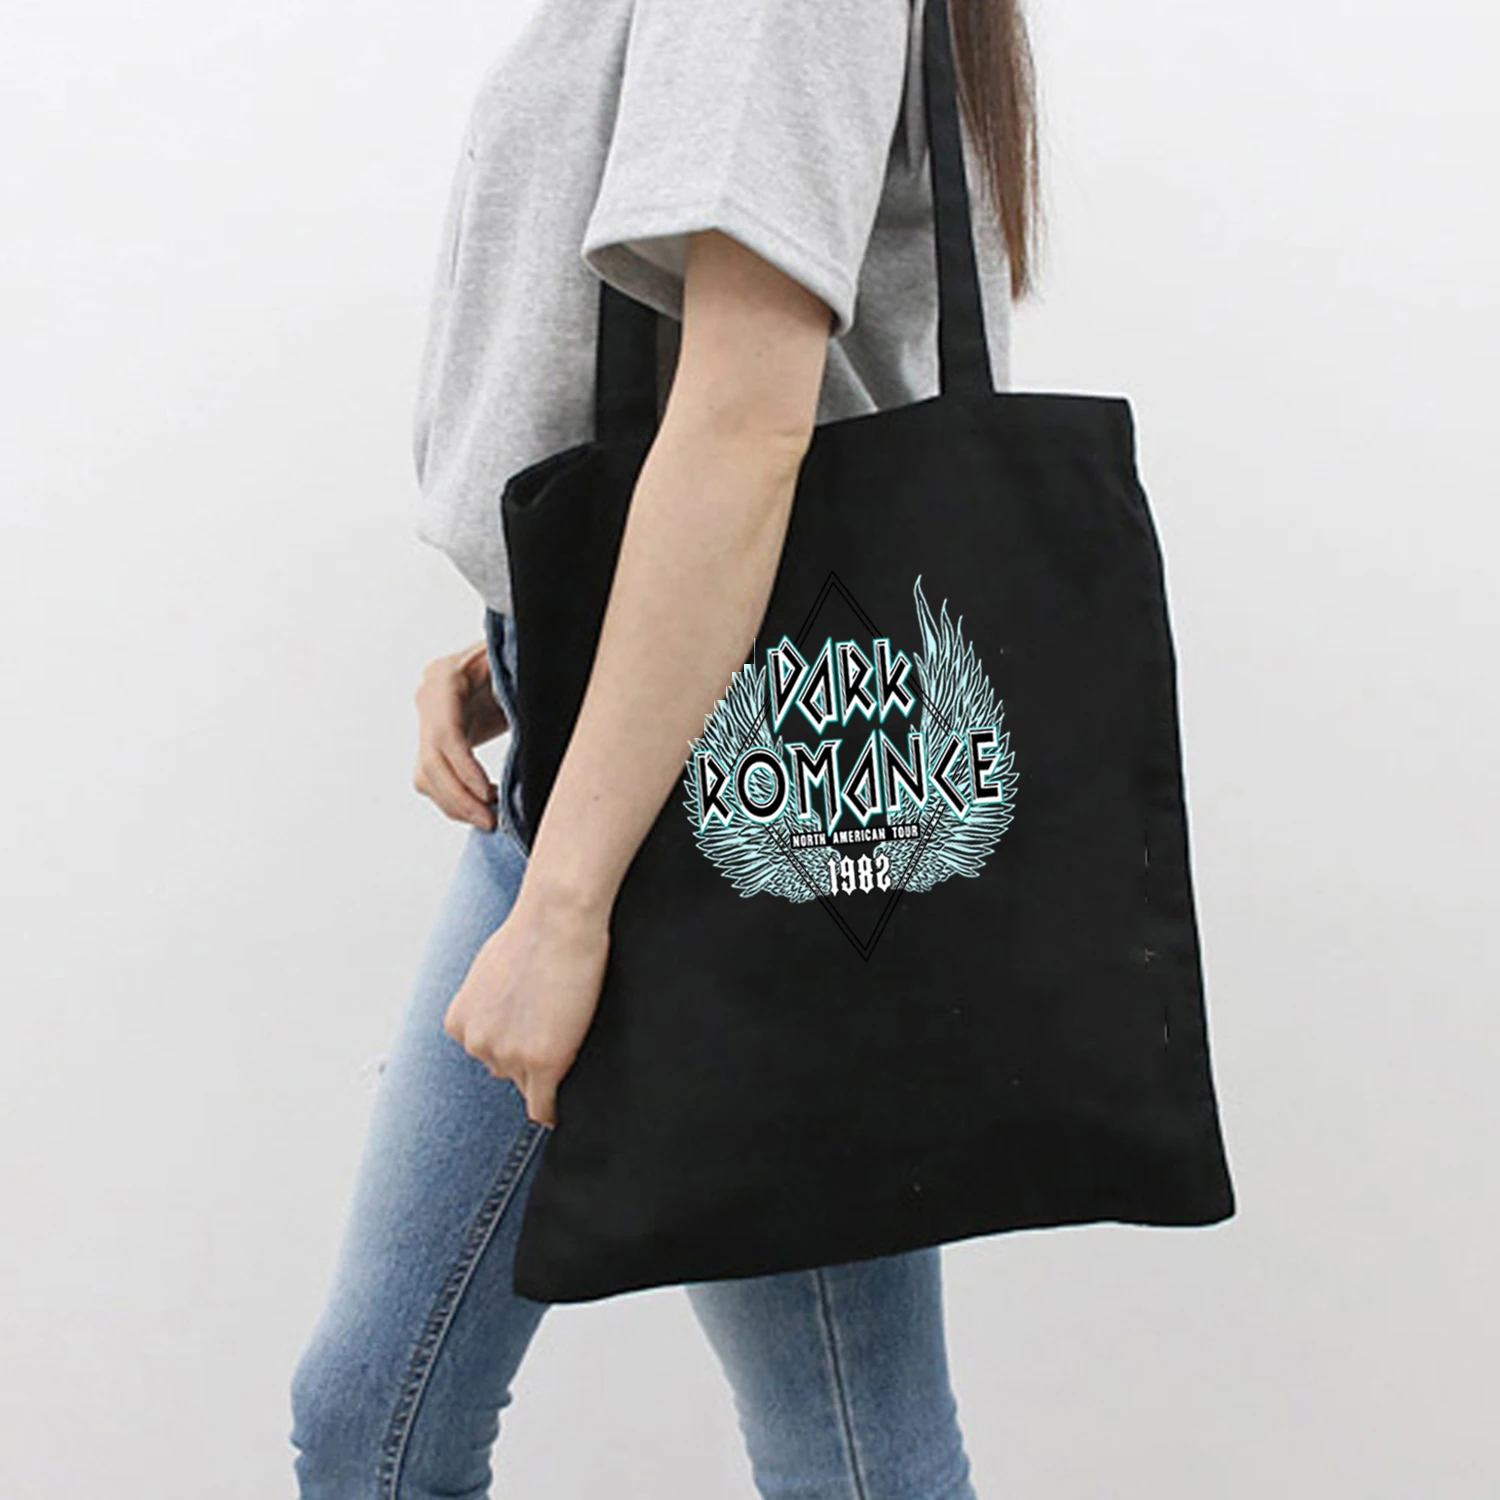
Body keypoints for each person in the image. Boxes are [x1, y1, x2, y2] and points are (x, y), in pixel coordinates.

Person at [288, 0, 1039, 1494]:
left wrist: (568, 902)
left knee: (834, 1447)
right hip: (642, 728)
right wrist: (532, 638)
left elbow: (747, 422)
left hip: (731, 788)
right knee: (386, 1414)